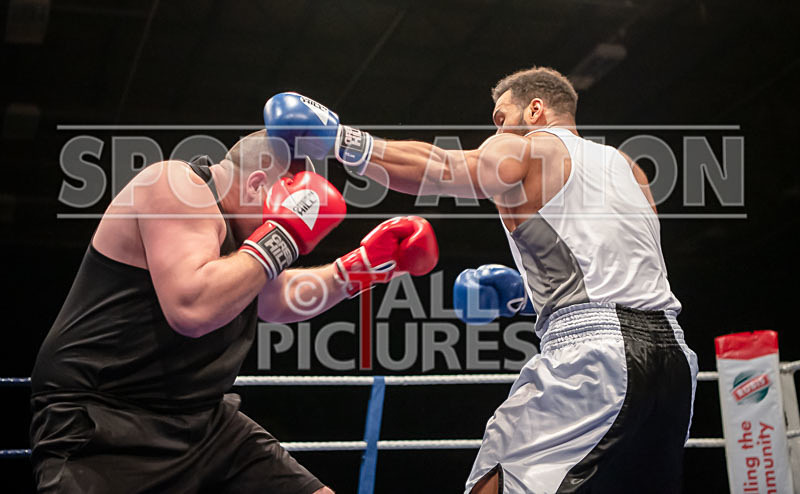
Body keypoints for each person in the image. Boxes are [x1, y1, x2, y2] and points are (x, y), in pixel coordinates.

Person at [264, 66, 698, 494]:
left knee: (495, 479)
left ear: (535, 109)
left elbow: (444, 169)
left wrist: (341, 140)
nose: (497, 128)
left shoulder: (528, 148)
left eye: (501, 117)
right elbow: (626, 275)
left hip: (595, 358)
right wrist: (524, 299)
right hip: (676, 362)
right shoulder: (629, 168)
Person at [30, 130, 439, 493]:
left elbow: (273, 298)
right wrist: (285, 234)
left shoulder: (243, 235)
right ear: (260, 183)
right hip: (107, 424)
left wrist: (361, 268)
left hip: (203, 422)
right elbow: (193, 308)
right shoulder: (173, 184)